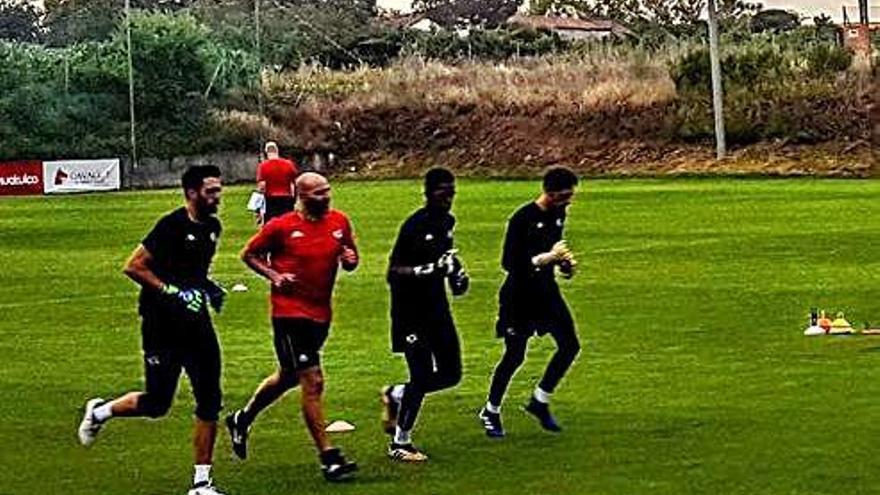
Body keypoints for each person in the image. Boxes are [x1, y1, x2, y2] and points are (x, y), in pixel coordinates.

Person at [77, 165, 228, 495]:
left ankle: (202, 483)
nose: (218, 197)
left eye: (219, 190)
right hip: (162, 326)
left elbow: (192, 271)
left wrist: (208, 287)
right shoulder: (171, 226)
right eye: (211, 191)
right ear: (191, 192)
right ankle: (100, 411)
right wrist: (171, 292)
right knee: (158, 403)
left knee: (210, 399)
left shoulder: (212, 228)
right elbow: (133, 266)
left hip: (197, 324)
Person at [225, 172, 359, 481]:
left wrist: (350, 260)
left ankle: (242, 419)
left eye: (327, 191)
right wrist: (274, 276)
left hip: (321, 314)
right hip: (289, 314)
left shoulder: (339, 222)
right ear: (301, 195)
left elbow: (350, 259)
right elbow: (249, 254)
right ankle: (330, 458)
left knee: (288, 377)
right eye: (318, 194)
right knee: (312, 381)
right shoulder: (281, 226)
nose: (325, 198)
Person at [478, 166, 580, 438]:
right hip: (519, 296)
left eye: (570, 196)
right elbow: (509, 262)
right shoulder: (522, 218)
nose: (568, 201)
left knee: (570, 345)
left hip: (546, 292)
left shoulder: (559, 213)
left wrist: (564, 265)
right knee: (515, 355)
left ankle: (540, 400)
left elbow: (554, 247)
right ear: (549, 192)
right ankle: (491, 409)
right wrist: (544, 258)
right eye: (564, 196)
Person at [380, 168, 469, 462]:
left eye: (452, 192)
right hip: (409, 312)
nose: (449, 197)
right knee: (420, 374)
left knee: (451, 374)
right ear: (429, 192)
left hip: (436, 309)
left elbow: (445, 259)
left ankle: (397, 394)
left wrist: (456, 274)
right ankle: (400, 442)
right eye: (444, 192)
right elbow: (393, 273)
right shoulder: (414, 226)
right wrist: (428, 270)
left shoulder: (447, 223)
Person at [255, 141, 299, 225]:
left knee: (271, 225)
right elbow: (294, 184)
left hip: (271, 200)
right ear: (277, 150)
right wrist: (295, 200)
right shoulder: (289, 164)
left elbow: (261, 187)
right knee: (287, 224)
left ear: (266, 152)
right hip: (287, 199)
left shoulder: (263, 166)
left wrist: (258, 208)